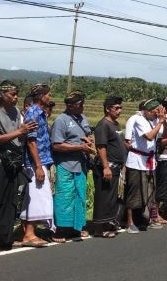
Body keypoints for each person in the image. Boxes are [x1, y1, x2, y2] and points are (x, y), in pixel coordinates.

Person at [0, 81, 37, 255]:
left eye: (17, 94)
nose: (16, 98)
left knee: (11, 200)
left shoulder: (15, 112)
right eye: (12, 94)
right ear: (2, 95)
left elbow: (18, 138)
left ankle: (5, 237)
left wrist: (25, 132)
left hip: (13, 161)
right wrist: (19, 132)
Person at [51, 90, 94, 240]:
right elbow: (56, 145)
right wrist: (80, 148)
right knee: (64, 197)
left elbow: (87, 135)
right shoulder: (61, 120)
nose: (82, 107)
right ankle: (60, 230)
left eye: (82, 104)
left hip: (80, 165)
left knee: (80, 196)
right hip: (65, 165)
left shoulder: (83, 119)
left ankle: (77, 227)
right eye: (79, 104)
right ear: (69, 106)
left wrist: (88, 142)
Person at [21, 84, 57, 246]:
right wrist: (37, 166)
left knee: (37, 197)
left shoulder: (41, 113)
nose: (49, 97)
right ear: (41, 96)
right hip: (35, 162)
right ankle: (29, 234)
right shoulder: (33, 113)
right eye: (48, 94)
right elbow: (31, 141)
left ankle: (29, 231)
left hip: (42, 159)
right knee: (38, 197)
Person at [124, 99, 165, 233]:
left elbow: (160, 134)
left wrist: (159, 120)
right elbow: (149, 136)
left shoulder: (153, 119)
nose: (156, 115)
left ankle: (146, 219)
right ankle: (130, 222)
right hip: (137, 161)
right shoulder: (138, 119)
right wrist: (160, 121)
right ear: (147, 111)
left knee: (149, 192)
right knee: (134, 193)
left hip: (149, 161)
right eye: (154, 112)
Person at [92, 96, 127, 238]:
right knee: (104, 197)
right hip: (107, 167)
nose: (119, 110)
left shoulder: (115, 124)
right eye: (116, 108)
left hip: (117, 167)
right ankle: (99, 228)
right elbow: (101, 147)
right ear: (107, 109)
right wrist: (106, 167)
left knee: (112, 197)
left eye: (120, 107)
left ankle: (108, 223)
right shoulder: (103, 125)